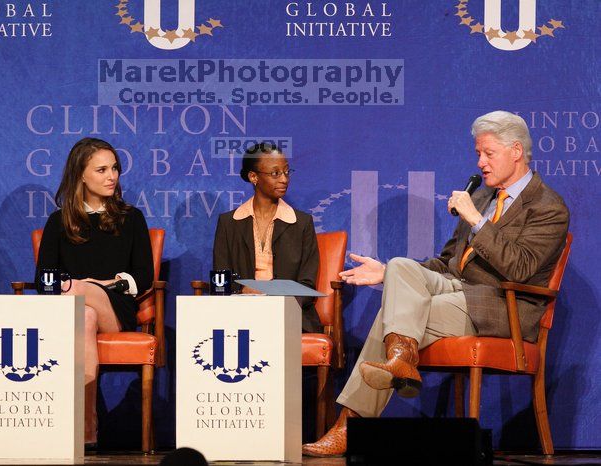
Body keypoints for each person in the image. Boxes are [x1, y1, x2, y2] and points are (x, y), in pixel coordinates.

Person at [303, 111, 569, 457]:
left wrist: (474, 218)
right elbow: (446, 265)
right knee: (400, 266)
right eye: (477, 154)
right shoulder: (486, 198)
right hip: (455, 291)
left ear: (516, 151)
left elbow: (519, 268)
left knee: (393, 314)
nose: (480, 162)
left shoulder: (548, 207)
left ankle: (351, 423)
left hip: (501, 309)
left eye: (488, 153)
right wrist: (388, 273)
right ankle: (401, 359)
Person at [36, 137, 154, 446]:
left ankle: (77, 291)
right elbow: (43, 279)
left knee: (80, 296)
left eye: (114, 168)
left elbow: (144, 276)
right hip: (73, 314)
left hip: (117, 309)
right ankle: (85, 429)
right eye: (101, 170)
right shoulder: (58, 222)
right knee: (84, 317)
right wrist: (83, 290)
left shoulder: (131, 218)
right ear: (81, 175)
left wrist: (100, 285)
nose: (111, 176)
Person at [213, 142, 321, 333]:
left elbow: (307, 284)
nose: (284, 179)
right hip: (240, 314)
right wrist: (241, 291)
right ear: (253, 177)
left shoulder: (302, 223)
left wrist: (274, 300)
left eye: (287, 172)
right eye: (275, 173)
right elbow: (221, 281)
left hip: (290, 316)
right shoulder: (229, 223)